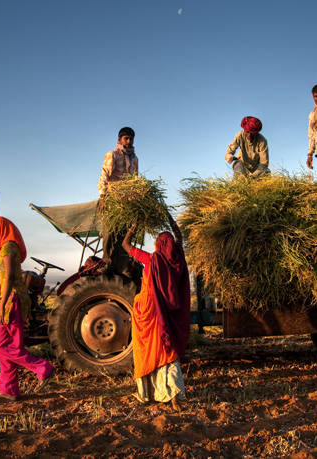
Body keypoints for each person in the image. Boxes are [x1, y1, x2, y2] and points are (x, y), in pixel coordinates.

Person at [121, 213, 190, 410]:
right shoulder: (177, 258)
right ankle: (174, 394)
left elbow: (126, 245)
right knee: (168, 350)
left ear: (159, 245)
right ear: (171, 245)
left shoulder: (151, 259)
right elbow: (179, 238)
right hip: (167, 314)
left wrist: (134, 226)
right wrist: (169, 218)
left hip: (148, 311)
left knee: (147, 349)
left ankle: (147, 394)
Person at [0, 216, 54, 401]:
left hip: (13, 301)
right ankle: (9, 390)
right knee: (8, 347)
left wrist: (2, 304)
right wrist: (0, 300)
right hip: (11, 298)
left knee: (1, 346)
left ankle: (42, 367)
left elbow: (9, 278)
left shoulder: (7, 247)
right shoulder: (7, 247)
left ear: (0, 229)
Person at [97, 126, 139, 274]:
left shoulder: (135, 159)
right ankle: (107, 262)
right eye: (125, 138)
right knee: (109, 231)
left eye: (131, 138)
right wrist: (103, 196)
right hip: (112, 199)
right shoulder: (113, 155)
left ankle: (122, 265)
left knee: (124, 233)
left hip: (126, 202)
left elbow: (135, 181)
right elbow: (104, 175)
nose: (128, 141)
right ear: (119, 140)